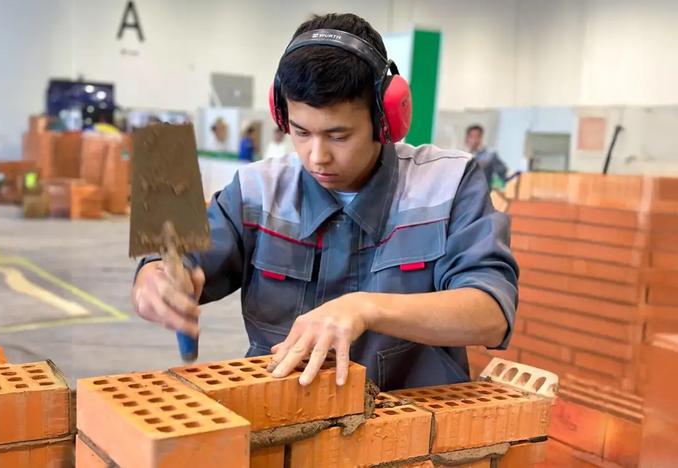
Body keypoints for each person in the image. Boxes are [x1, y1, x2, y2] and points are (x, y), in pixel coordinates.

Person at [132, 13, 518, 391]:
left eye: (338, 135)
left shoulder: (448, 184)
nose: (317, 156)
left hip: (414, 432)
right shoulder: (257, 190)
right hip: (286, 421)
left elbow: (490, 313)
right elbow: (178, 262)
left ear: (385, 121)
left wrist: (365, 308)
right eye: (301, 132)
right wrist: (158, 280)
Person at [465, 124, 508, 189]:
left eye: (477, 136)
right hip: (465, 196)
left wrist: (494, 187)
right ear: (467, 138)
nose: (474, 140)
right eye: (471, 136)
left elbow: (503, 172)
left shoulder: (490, 156)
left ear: (481, 138)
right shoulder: (464, 157)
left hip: (482, 195)